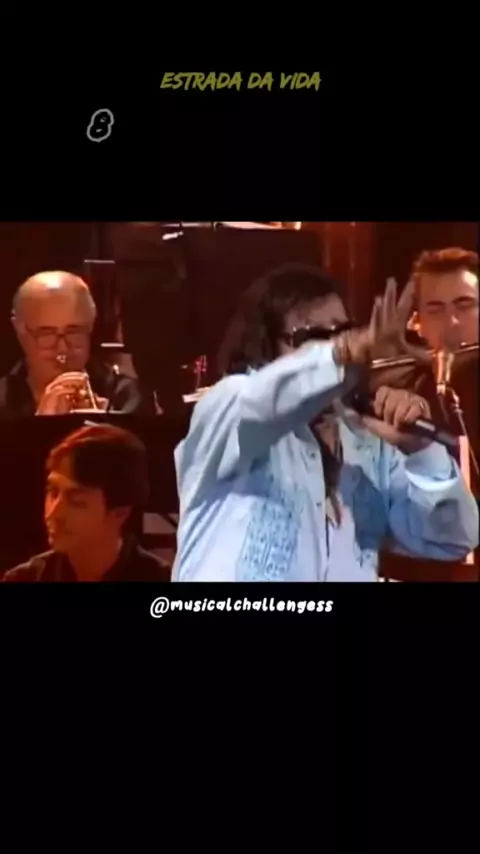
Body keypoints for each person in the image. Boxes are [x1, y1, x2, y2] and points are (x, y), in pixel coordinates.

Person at [171, 264, 478, 582]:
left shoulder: (367, 441)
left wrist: (420, 450)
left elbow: (453, 539)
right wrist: (342, 353)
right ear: (265, 345)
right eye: (312, 336)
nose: (333, 346)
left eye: (342, 332)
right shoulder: (226, 410)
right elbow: (260, 398)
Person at [2, 423, 170, 581]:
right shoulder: (24, 578)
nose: (54, 513)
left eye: (77, 502)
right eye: (53, 492)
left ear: (120, 513)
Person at [0, 270, 154, 416]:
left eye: (74, 332)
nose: (63, 348)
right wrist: (43, 424)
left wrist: (103, 427)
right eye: (46, 333)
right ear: (20, 330)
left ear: (91, 325)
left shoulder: (127, 395)